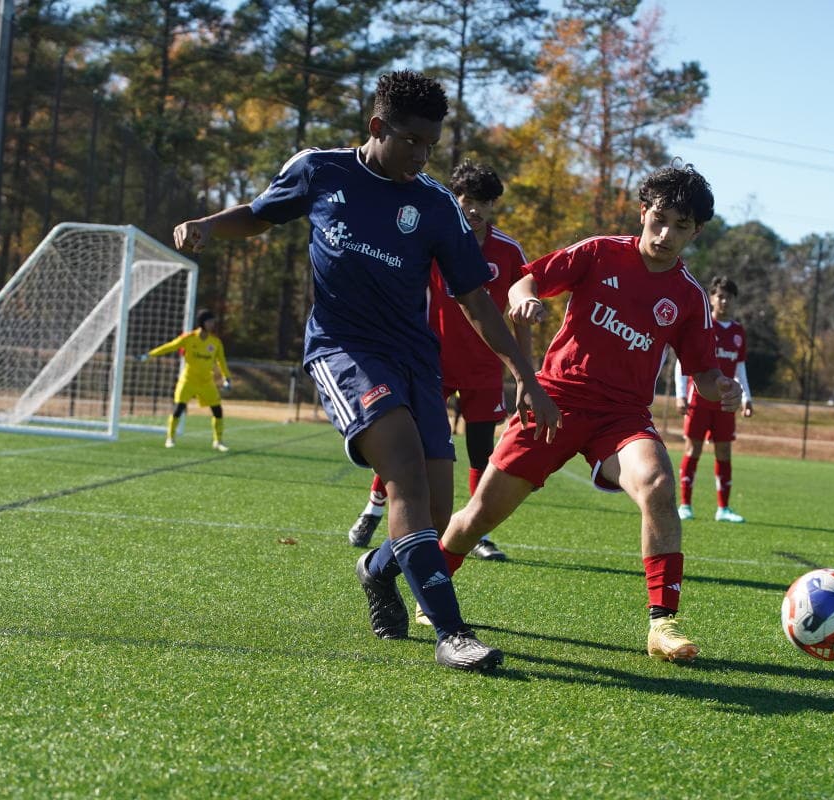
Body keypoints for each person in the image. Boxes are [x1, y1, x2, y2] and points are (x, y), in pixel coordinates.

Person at [172, 70, 559, 671]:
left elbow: (477, 301)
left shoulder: (435, 205)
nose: (422, 156)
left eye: (431, 145)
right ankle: (452, 633)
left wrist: (526, 377)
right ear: (378, 126)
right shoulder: (320, 170)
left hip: (416, 360)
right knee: (403, 473)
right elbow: (260, 213)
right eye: (411, 141)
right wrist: (208, 226)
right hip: (343, 349)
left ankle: (377, 569)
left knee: (436, 513)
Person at [438, 163, 741, 664]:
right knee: (478, 517)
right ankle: (431, 589)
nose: (665, 235)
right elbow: (524, 281)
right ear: (642, 213)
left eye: (680, 226)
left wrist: (721, 387)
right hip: (555, 401)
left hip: (622, 416)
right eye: (659, 220)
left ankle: (661, 622)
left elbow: (703, 371)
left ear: (697, 232)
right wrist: (527, 301)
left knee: (658, 484)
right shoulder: (600, 252)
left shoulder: (689, 297)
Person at [348, 160, 531, 563]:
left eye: (484, 202)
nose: (475, 210)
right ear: (454, 198)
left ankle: (476, 532)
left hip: (484, 369)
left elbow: (520, 308)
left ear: (494, 205)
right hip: (430, 362)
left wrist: (525, 372)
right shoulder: (433, 240)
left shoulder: (508, 251)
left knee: (482, 452)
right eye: (467, 200)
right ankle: (373, 510)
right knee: (407, 444)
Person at [674, 276, 754, 523]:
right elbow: (683, 362)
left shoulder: (738, 332)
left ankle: (724, 509)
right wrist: (680, 394)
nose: (724, 301)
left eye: (729, 297)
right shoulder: (702, 325)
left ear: (734, 300)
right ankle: (685, 505)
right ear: (711, 298)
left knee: (724, 451)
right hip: (698, 399)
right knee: (693, 449)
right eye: (720, 296)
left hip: (725, 402)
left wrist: (746, 397)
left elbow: (740, 368)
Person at [140, 309, 233, 452]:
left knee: (217, 410)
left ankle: (218, 441)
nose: (212, 324)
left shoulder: (215, 342)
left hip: (206, 382)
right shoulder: (189, 338)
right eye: (210, 321)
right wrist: (150, 355)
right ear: (202, 322)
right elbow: (170, 346)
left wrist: (227, 378)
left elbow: (221, 362)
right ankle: (170, 438)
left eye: (213, 321)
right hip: (188, 380)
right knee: (178, 409)